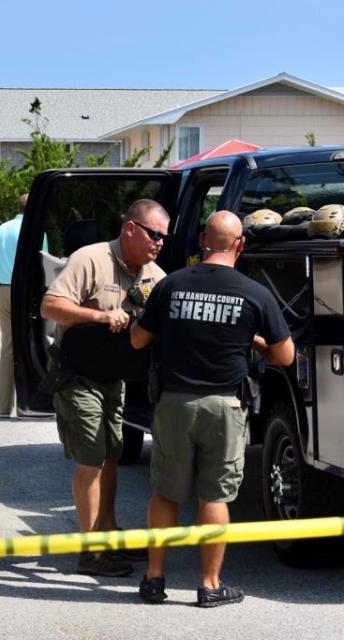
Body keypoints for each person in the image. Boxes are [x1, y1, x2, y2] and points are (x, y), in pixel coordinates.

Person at [130, 210, 293, 607]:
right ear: (240, 245)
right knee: (214, 496)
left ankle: (154, 579)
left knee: (166, 492)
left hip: (173, 403)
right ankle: (209, 584)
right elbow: (285, 356)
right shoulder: (254, 292)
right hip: (224, 405)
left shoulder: (170, 284)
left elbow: (137, 341)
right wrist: (253, 340)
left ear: (203, 239)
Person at [40, 198, 169, 577]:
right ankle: (91, 551)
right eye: (154, 234)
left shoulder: (153, 275)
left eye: (164, 236)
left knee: (111, 457)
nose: (160, 242)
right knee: (92, 462)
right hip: (77, 376)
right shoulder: (90, 258)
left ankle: (108, 534)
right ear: (130, 228)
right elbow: (50, 305)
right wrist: (100, 315)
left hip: (114, 379)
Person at [0, 194, 28, 417]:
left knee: (8, 346)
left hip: (3, 289)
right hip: (25, 292)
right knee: (27, 346)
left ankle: (4, 406)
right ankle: (27, 404)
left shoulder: (1, 229)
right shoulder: (35, 230)